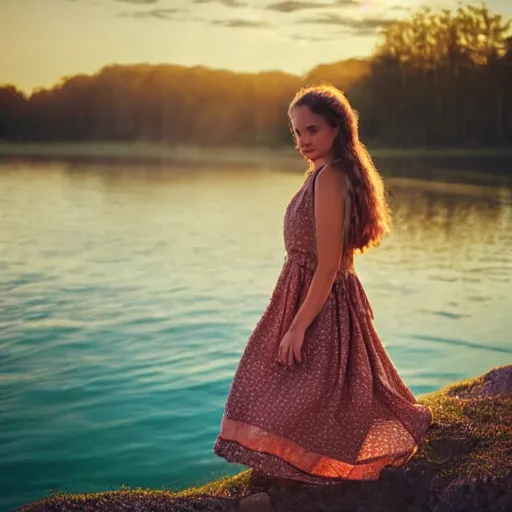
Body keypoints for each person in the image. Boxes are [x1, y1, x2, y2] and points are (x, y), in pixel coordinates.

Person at [213, 84, 433, 485]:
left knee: (297, 387)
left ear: (337, 128)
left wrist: (298, 325)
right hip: (303, 292)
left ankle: (311, 473)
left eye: (312, 130)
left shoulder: (331, 177)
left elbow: (329, 265)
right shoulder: (322, 173)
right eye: (297, 132)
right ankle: (296, 470)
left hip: (322, 298)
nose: (303, 141)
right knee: (296, 386)